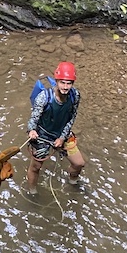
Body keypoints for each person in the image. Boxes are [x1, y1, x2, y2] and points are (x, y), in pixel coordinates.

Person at [26, 61, 85, 191]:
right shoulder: (44, 97)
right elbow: (33, 119)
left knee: (79, 163)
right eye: (62, 82)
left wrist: (62, 138)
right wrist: (31, 131)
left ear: (72, 84)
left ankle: (73, 181)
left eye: (69, 83)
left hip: (62, 134)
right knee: (35, 167)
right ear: (57, 81)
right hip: (42, 136)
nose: (65, 87)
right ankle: (32, 191)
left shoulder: (75, 96)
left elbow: (72, 117)